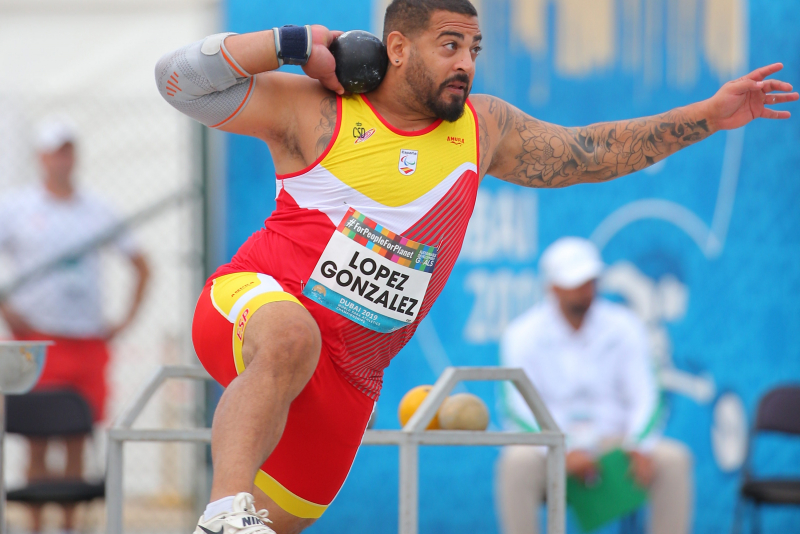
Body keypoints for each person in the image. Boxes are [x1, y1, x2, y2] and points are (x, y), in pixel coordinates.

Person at [154, 0, 796, 531]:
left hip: (349, 377)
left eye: (474, 50)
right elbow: (177, 81)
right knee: (292, 338)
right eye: (450, 46)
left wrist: (709, 117)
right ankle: (222, 509)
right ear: (396, 48)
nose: (466, 64)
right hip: (253, 309)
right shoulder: (317, 110)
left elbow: (589, 152)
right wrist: (295, 41)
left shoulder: (483, 129)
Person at [0, 116, 150, 534]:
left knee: (75, 438)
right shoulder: (17, 208)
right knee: (35, 438)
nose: (60, 159)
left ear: (74, 156)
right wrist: (7, 310)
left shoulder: (97, 209)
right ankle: (33, 526)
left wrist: (123, 321)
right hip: (37, 340)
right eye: (53, 151)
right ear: (41, 157)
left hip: (85, 341)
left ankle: (67, 527)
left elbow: (141, 264)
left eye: (67, 150)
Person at [495, 237, 692, 534]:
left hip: (616, 445)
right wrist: (562, 450)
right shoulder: (521, 335)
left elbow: (647, 396)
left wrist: (638, 444)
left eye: (589, 281)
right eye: (575, 282)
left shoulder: (626, 325)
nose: (584, 291)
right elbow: (518, 410)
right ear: (552, 287)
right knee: (516, 463)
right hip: (551, 450)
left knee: (674, 461)